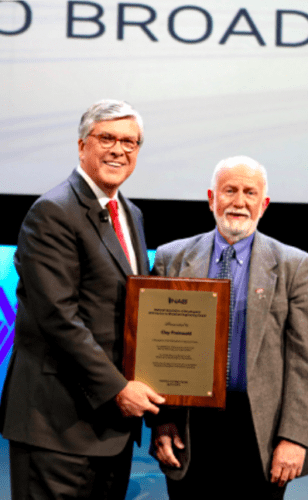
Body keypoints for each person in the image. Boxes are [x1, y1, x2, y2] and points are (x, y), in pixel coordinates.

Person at [0, 99, 165, 499]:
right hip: (56, 426)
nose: (119, 150)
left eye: (130, 142)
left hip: (111, 429)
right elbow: (58, 317)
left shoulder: (130, 213)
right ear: (81, 145)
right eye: (106, 138)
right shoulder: (53, 212)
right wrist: (119, 389)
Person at [150, 155, 308, 499]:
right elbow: (157, 349)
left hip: (260, 430)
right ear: (211, 198)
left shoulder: (294, 265)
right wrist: (162, 419)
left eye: (250, 192)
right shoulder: (171, 257)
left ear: (264, 203)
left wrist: (294, 437)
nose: (239, 201)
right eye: (229, 190)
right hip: (190, 426)